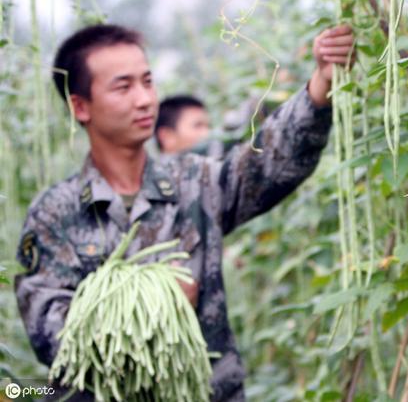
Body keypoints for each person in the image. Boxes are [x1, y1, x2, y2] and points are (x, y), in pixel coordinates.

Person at [14, 22, 354, 401]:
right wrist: (158, 305)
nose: (144, 99)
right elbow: (52, 338)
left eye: (147, 82)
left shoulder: (194, 182)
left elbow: (270, 165)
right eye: (123, 87)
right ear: (80, 106)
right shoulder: (55, 215)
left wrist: (320, 86)